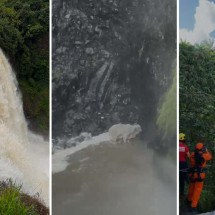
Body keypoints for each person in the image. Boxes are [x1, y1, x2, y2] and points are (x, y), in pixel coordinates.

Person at [187, 143, 212, 213]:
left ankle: (188, 200)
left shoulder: (192, 154)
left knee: (191, 187)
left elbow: (190, 158)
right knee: (197, 190)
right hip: (200, 175)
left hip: (192, 174)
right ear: (202, 149)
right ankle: (193, 206)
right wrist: (206, 151)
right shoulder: (204, 155)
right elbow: (210, 156)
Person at [179, 133, 190, 198]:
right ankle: (182, 193)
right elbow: (189, 156)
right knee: (183, 178)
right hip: (183, 164)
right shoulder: (185, 147)